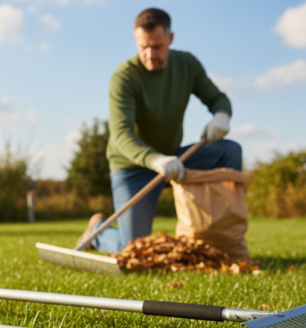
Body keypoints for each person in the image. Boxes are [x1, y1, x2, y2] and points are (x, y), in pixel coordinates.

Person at [78, 7, 242, 253]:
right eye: (143, 47)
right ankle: (98, 231)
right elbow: (121, 135)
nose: (149, 54)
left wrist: (221, 116)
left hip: (175, 158)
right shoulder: (124, 77)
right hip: (132, 167)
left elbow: (218, 98)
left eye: (156, 47)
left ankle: (220, 236)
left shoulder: (187, 64)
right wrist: (153, 159)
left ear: (170, 39)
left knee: (229, 151)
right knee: (134, 248)